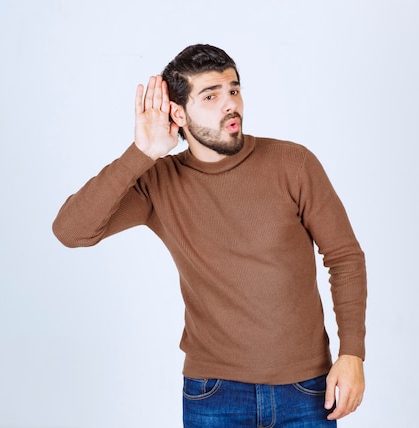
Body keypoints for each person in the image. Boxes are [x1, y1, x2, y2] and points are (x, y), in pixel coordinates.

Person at [52, 44, 367, 427]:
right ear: (178, 113)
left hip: (307, 388)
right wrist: (141, 153)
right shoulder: (158, 181)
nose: (229, 104)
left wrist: (352, 353)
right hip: (215, 393)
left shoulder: (293, 163)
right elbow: (71, 231)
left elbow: (344, 256)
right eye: (211, 96)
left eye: (233, 90)